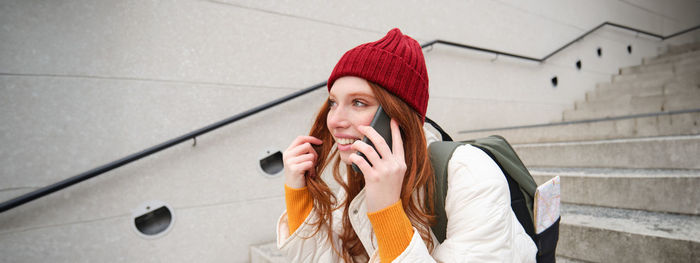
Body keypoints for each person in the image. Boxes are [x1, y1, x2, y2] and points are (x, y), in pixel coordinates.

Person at [276, 28, 537, 262]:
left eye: (358, 103)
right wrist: (297, 195)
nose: (334, 121)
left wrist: (387, 211)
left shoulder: (470, 173)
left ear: (398, 115)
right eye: (333, 102)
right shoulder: (362, 171)